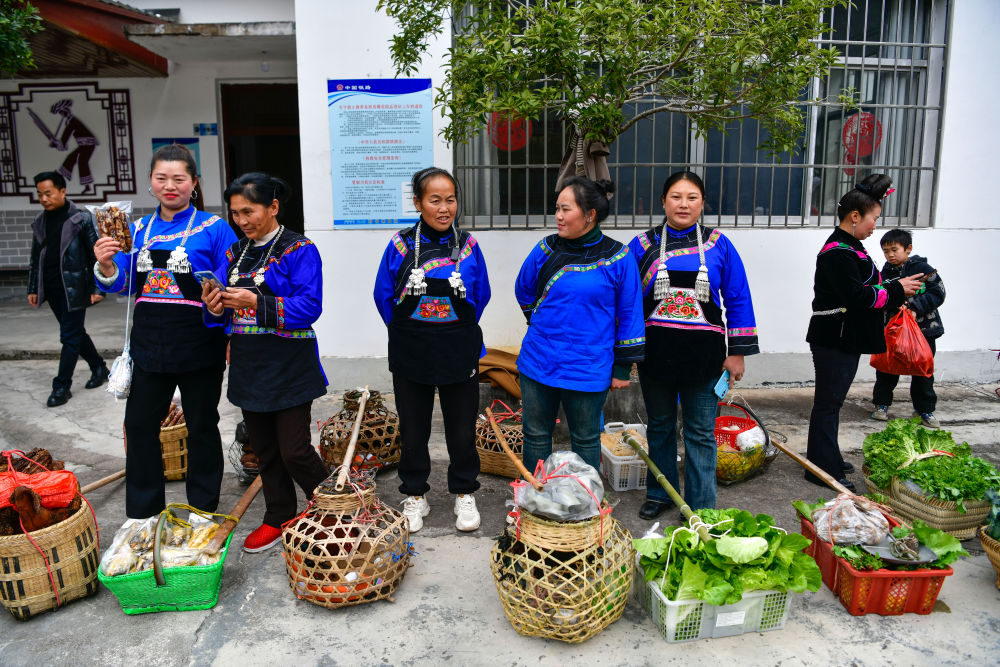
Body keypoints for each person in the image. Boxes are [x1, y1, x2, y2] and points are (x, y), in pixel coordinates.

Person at [93, 144, 237, 519]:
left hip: (199, 343)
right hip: (149, 344)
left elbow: (230, 282)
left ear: (194, 183)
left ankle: (203, 509)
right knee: (139, 425)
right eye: (161, 178)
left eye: (179, 178)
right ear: (151, 183)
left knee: (202, 425)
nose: (169, 185)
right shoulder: (136, 229)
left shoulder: (215, 228)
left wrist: (230, 330)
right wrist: (106, 263)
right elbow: (123, 283)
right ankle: (143, 513)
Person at [203, 173, 329, 552]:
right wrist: (214, 307)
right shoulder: (234, 253)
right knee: (265, 450)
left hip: (289, 363)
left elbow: (310, 307)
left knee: (294, 449)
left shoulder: (299, 249)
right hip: (248, 362)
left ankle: (332, 506)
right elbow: (222, 314)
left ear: (273, 207)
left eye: (249, 211)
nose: (241, 220)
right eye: (235, 213)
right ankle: (278, 515)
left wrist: (256, 302)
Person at [628, 172, 759, 519]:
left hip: (705, 359)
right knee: (659, 427)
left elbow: (738, 298)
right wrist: (624, 353)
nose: (683, 204)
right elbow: (626, 302)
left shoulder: (720, 246)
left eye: (691, 197)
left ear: (702, 203)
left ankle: (701, 506)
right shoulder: (641, 246)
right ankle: (661, 493)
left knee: (700, 433)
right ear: (662, 201)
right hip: (655, 355)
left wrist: (737, 353)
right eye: (675, 196)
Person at [373, 167, 491, 533]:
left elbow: (481, 294)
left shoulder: (469, 245)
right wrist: (411, 329)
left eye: (450, 199)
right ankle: (414, 494)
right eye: (435, 200)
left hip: (458, 349)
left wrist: (454, 329)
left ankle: (463, 492)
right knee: (413, 427)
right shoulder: (400, 244)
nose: (444, 208)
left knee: (461, 428)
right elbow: (383, 296)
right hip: (412, 349)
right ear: (418, 203)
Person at [515, 177, 645, 474]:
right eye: (557, 209)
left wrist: (623, 368)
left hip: (589, 366)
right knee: (536, 435)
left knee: (585, 438)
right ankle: (536, 498)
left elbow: (630, 314)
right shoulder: (545, 249)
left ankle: (585, 505)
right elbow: (523, 288)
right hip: (539, 361)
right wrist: (539, 322)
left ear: (590, 215)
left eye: (566, 209)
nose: (558, 216)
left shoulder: (619, 258)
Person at [806, 174, 924, 491]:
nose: (875, 226)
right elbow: (858, 297)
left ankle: (825, 455)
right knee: (828, 404)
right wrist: (896, 289)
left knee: (832, 402)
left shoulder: (850, 247)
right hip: (835, 337)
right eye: (873, 219)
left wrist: (895, 288)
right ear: (855, 216)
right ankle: (820, 467)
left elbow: (867, 289)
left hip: (844, 337)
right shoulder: (837, 252)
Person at [27, 171, 108, 406]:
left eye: (48, 193)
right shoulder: (41, 222)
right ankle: (99, 368)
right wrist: (33, 288)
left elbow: (96, 254)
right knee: (74, 333)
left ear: (62, 191)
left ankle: (61, 386)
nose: (44, 198)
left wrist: (98, 287)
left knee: (69, 336)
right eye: (40, 194)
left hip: (76, 287)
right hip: (52, 288)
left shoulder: (80, 218)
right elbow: (35, 258)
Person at [871, 229, 945, 428]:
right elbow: (880, 296)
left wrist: (914, 308)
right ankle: (881, 404)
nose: (890, 255)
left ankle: (925, 410)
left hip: (923, 331)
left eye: (894, 249)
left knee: (922, 371)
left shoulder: (923, 269)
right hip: (893, 331)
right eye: (886, 251)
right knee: (887, 369)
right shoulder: (884, 274)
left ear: (908, 248)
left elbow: (939, 293)